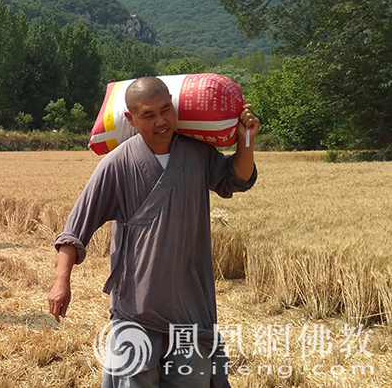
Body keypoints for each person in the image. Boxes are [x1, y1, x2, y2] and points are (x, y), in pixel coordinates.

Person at [47, 77, 259, 388]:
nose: (161, 121)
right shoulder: (117, 164)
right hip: (137, 309)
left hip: (190, 309)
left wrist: (246, 140)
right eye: (148, 115)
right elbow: (77, 227)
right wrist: (60, 282)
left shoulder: (197, 154)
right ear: (131, 119)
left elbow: (235, 180)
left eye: (165, 110)